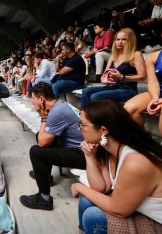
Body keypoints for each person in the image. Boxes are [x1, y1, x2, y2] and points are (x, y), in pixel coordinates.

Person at [71, 99, 162, 233]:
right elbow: (101, 188)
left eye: (82, 124)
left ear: (103, 130)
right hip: (140, 209)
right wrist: (89, 157)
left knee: (93, 216)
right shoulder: (110, 149)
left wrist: (79, 187)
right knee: (86, 201)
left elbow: (118, 210)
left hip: (157, 222)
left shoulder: (135, 162)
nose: (79, 129)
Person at [19, 82, 86, 211]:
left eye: (33, 98)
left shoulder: (57, 112)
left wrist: (43, 117)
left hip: (85, 155)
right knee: (41, 134)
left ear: (41, 99)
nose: (31, 101)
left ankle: (44, 198)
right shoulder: (60, 104)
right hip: (80, 149)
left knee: (36, 151)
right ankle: (44, 176)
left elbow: (42, 143)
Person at [81, 28, 146, 109]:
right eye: (117, 39)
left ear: (130, 41)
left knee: (95, 96)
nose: (120, 42)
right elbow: (104, 76)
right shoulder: (113, 56)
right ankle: (84, 117)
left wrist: (122, 77)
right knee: (86, 91)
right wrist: (105, 79)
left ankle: (95, 120)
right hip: (113, 86)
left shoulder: (136, 54)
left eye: (124, 39)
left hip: (128, 89)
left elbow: (143, 77)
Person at [124, 49, 162, 134]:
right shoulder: (152, 57)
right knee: (129, 108)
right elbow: (153, 81)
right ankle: (144, 140)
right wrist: (155, 97)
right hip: (158, 91)